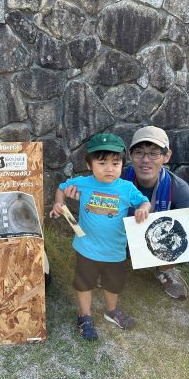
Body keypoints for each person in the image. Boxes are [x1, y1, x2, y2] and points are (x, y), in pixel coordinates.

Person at [64, 126, 189, 299]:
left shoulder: (178, 188)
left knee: (178, 237)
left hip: (156, 240)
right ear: (130, 156)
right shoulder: (114, 178)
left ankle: (165, 269)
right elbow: (92, 200)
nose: (145, 160)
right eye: (139, 153)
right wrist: (83, 198)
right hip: (117, 238)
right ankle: (101, 265)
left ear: (167, 156)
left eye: (154, 153)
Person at [50, 133, 151, 341]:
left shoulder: (126, 188)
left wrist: (143, 208)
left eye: (116, 163)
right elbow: (61, 188)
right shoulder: (84, 183)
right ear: (89, 165)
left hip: (115, 250)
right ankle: (84, 316)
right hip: (86, 247)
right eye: (102, 162)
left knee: (113, 284)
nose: (109, 168)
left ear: (122, 163)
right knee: (84, 283)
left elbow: (144, 201)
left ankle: (111, 310)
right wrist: (58, 203)